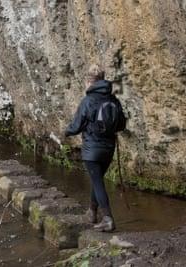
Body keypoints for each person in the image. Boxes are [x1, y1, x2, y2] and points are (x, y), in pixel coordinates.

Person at [64, 64, 126, 232]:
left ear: (89, 82)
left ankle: (108, 219)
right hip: (109, 149)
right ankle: (92, 212)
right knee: (96, 180)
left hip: (92, 149)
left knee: (98, 182)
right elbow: (122, 124)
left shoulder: (88, 101)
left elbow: (76, 126)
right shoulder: (113, 100)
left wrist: (66, 131)